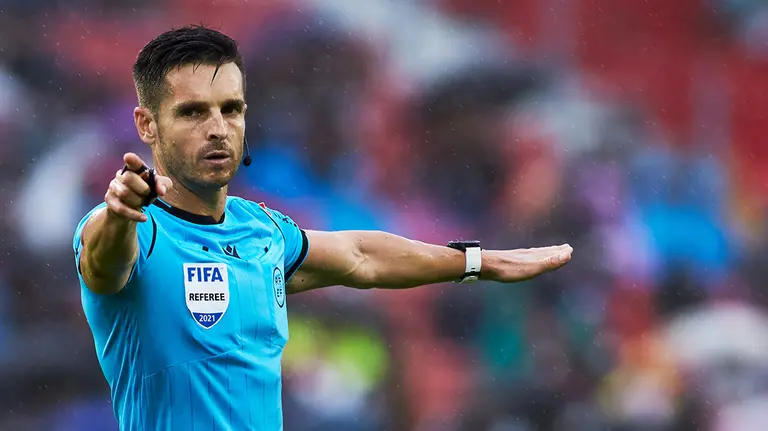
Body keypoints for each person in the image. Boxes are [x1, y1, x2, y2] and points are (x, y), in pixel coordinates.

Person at [72, 25, 573, 431]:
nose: (218, 128)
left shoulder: (262, 230)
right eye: (192, 112)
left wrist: (479, 262)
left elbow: (361, 255)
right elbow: (104, 262)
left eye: (231, 109)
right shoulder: (131, 229)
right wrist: (118, 214)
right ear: (147, 125)